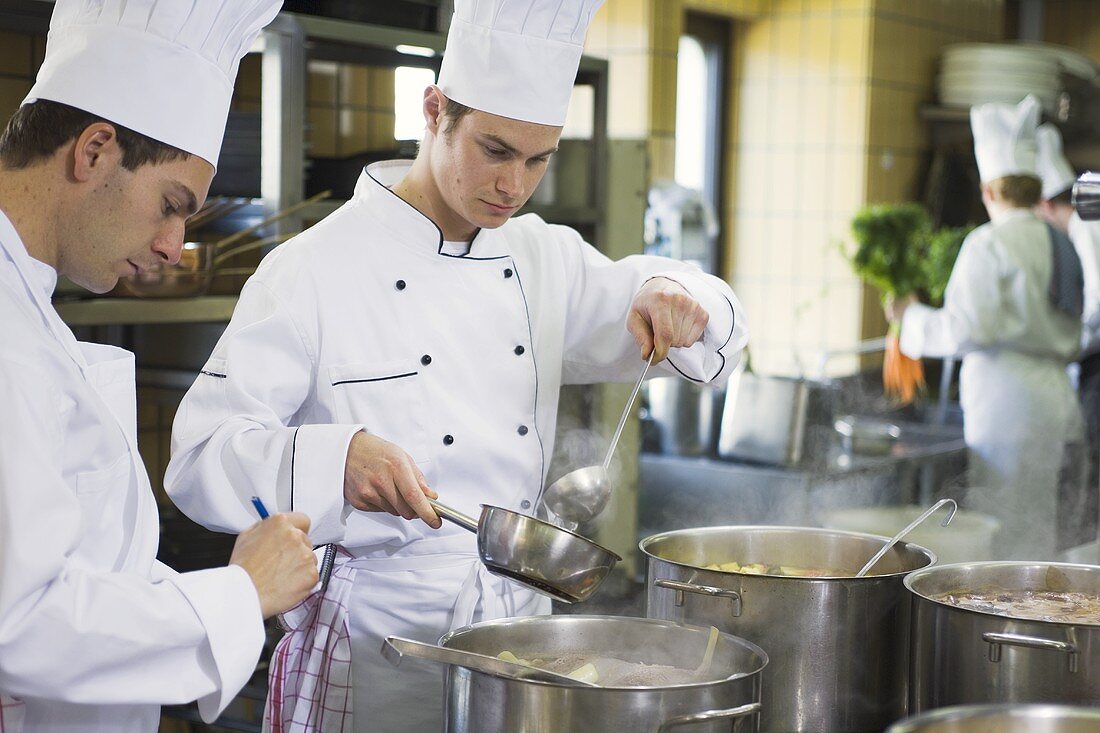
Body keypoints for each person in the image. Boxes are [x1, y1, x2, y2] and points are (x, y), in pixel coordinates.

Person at [164, 0, 748, 730]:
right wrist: (334, 457)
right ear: (435, 109)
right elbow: (199, 458)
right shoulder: (311, 270)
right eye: (497, 151)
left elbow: (709, 327)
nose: (514, 186)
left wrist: (676, 295)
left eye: (540, 160)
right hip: (378, 650)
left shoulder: (542, 257)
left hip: (518, 642)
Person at [0, 2, 321, 732]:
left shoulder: (26, 302)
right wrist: (241, 592)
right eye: (172, 205)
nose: (174, 246)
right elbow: (21, 617)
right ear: (94, 151)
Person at [888, 95, 1084, 561]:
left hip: (1007, 406)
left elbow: (966, 329)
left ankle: (1009, 622)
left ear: (989, 191)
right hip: (1055, 398)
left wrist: (908, 317)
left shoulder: (987, 243)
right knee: (1040, 528)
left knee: (1007, 531)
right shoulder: (1059, 240)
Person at [1035, 122, 1100, 547]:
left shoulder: (1087, 227)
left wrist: (1062, 349)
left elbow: (1096, 311)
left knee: (1091, 468)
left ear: (1046, 203)